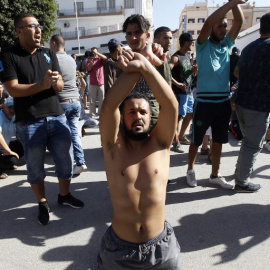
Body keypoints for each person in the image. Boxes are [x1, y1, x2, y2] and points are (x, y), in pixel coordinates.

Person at [97, 49, 182, 269]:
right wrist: (132, 71)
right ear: (122, 118)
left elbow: (171, 105)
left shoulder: (161, 144)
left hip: (161, 247)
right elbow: (108, 107)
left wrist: (144, 66)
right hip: (119, 250)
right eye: (131, 112)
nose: (137, 116)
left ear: (150, 116)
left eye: (143, 112)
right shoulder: (113, 148)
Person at [0, 12, 84, 225]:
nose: (39, 30)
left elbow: (60, 86)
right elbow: (12, 88)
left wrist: (55, 82)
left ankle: (64, 196)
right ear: (19, 30)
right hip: (29, 121)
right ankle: (43, 202)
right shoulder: (9, 55)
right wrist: (42, 85)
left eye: (39, 26)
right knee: (35, 168)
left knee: (66, 161)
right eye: (32, 26)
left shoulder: (48, 53)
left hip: (57, 117)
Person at [186, 0, 245, 188]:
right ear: (212, 27)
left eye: (224, 26)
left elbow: (239, 20)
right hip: (203, 101)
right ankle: (190, 170)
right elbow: (207, 23)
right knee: (196, 139)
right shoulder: (202, 45)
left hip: (222, 102)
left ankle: (215, 174)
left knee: (219, 139)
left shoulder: (227, 45)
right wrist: (231, 2)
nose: (223, 29)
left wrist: (234, 3)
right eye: (219, 26)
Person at [233, 12, 270, 192]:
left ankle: (240, 175)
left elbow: (237, 72)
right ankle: (242, 181)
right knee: (252, 145)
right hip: (259, 106)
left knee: (248, 142)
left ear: (261, 27)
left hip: (242, 102)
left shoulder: (248, 47)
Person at [50, 34, 87, 175]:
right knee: (74, 133)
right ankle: (80, 162)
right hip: (75, 101)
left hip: (61, 102)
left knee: (60, 137)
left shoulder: (52, 60)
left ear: (53, 44)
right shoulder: (72, 60)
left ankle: (65, 165)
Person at [122, 14, 165, 129]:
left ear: (147, 35)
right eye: (129, 34)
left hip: (152, 118)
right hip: (129, 119)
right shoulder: (124, 60)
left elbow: (168, 91)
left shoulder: (158, 57)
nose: (133, 38)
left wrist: (172, 124)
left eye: (138, 33)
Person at [170, 33, 197, 153]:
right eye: (191, 41)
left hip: (189, 92)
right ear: (186, 42)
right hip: (179, 93)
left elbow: (189, 73)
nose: (192, 44)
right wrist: (177, 84)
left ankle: (181, 136)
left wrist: (193, 71)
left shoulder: (187, 55)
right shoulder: (176, 57)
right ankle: (175, 142)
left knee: (190, 114)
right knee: (178, 118)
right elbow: (167, 73)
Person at [0, 96, 24, 179]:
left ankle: (7, 165)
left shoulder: (14, 117)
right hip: (1, 148)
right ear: (4, 106)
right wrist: (9, 151)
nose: (12, 110)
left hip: (4, 146)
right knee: (12, 159)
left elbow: (18, 135)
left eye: (15, 107)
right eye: (9, 107)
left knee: (23, 148)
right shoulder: (0, 117)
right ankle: (1, 169)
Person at [87, 47, 107, 118]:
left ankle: (100, 113)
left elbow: (105, 58)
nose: (93, 53)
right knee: (92, 100)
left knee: (102, 100)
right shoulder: (89, 60)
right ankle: (92, 114)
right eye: (92, 52)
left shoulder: (100, 59)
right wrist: (91, 61)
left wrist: (97, 53)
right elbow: (88, 69)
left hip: (101, 83)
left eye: (94, 52)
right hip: (93, 83)